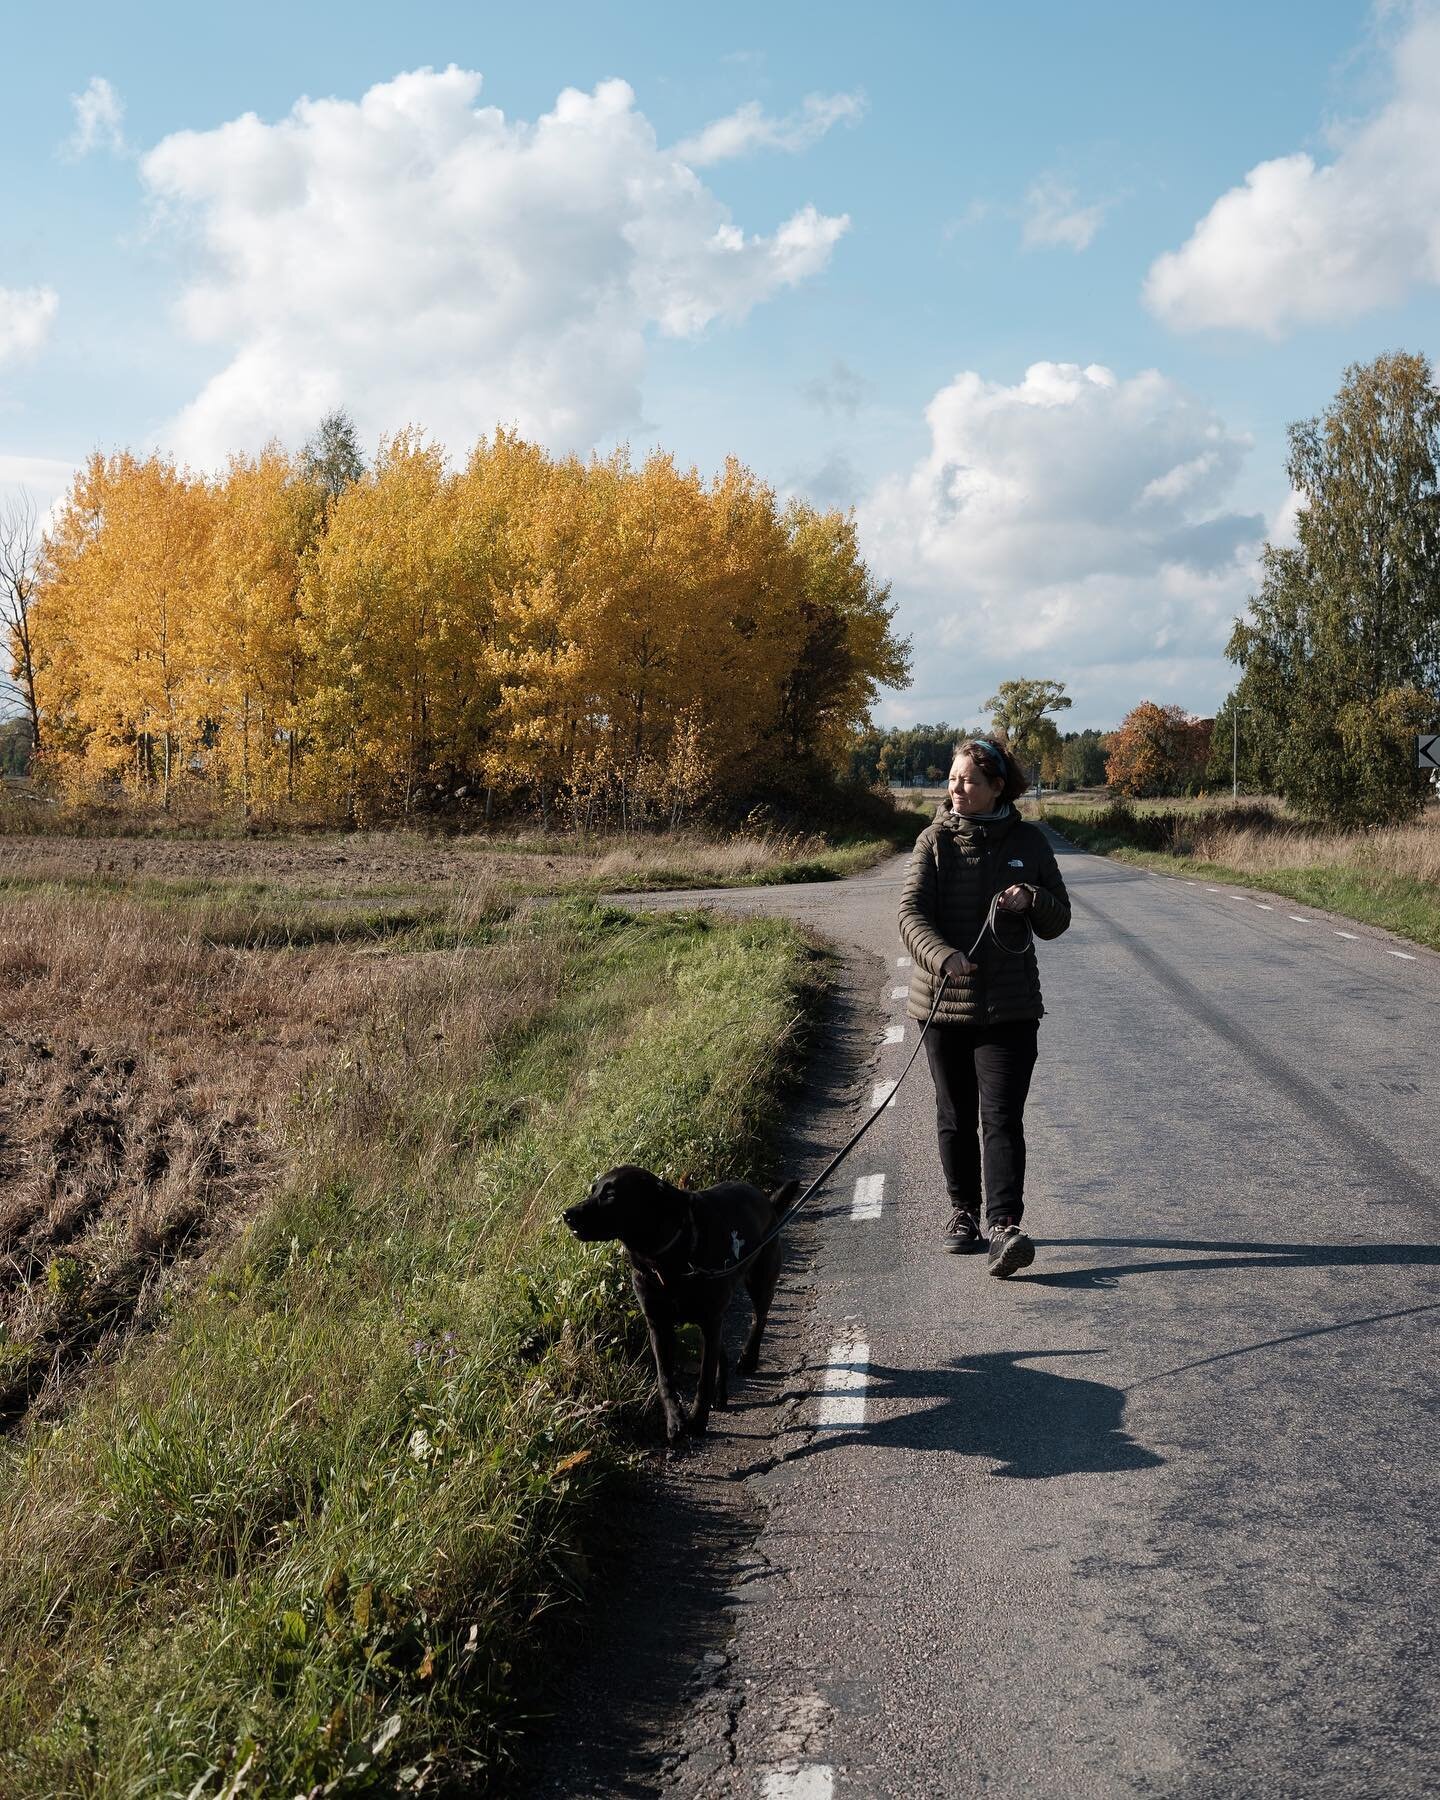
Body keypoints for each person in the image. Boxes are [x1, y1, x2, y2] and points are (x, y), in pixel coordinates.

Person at [897, 738, 1071, 1276]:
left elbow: (1058, 919)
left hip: (1011, 1010)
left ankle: (1003, 1228)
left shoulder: (1029, 842)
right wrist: (941, 954)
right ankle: (962, 1213)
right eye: (952, 778)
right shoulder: (933, 842)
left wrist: (1033, 899)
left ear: (998, 786)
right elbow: (909, 914)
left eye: (968, 780)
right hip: (944, 1006)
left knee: (1001, 1118)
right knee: (954, 1115)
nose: (956, 788)